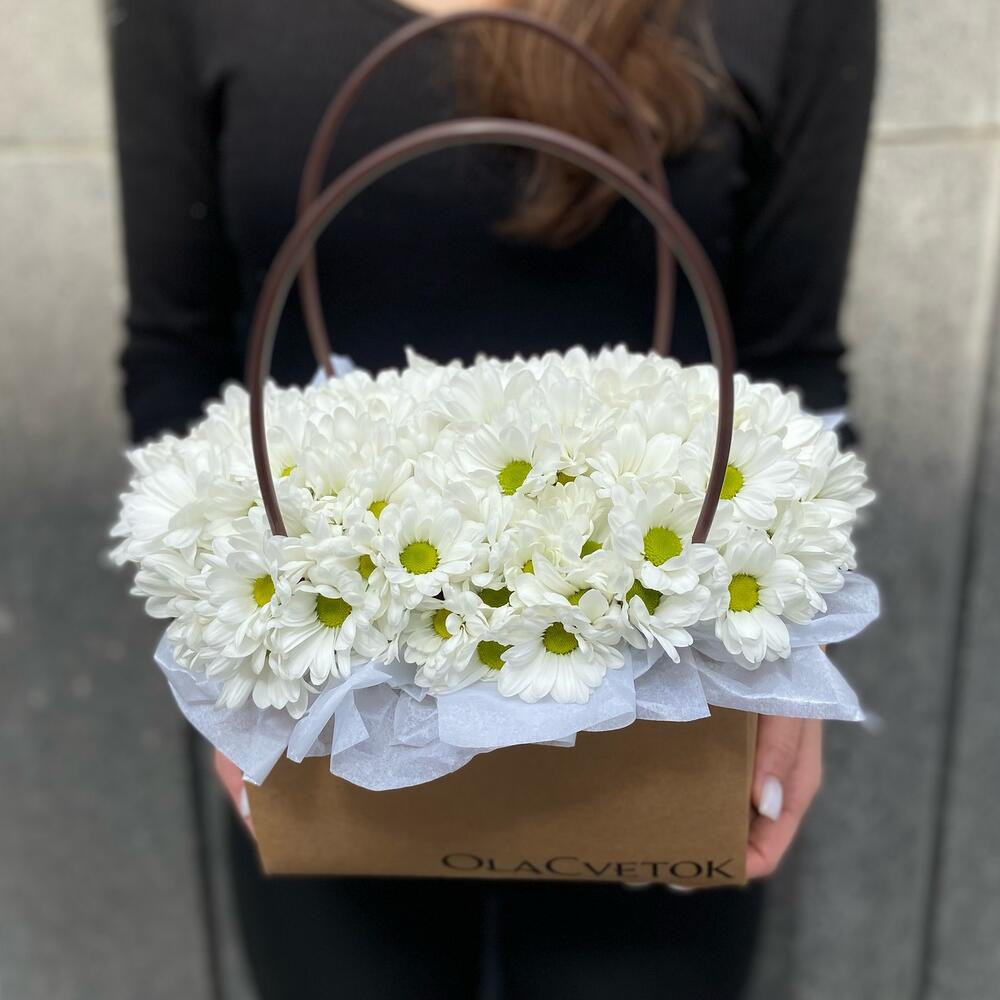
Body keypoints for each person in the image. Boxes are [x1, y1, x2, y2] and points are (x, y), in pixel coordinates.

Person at [110, 0, 876, 996]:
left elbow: (790, 365)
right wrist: (218, 649)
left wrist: (795, 655)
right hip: (325, 694)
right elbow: (176, 354)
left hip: (664, 686)